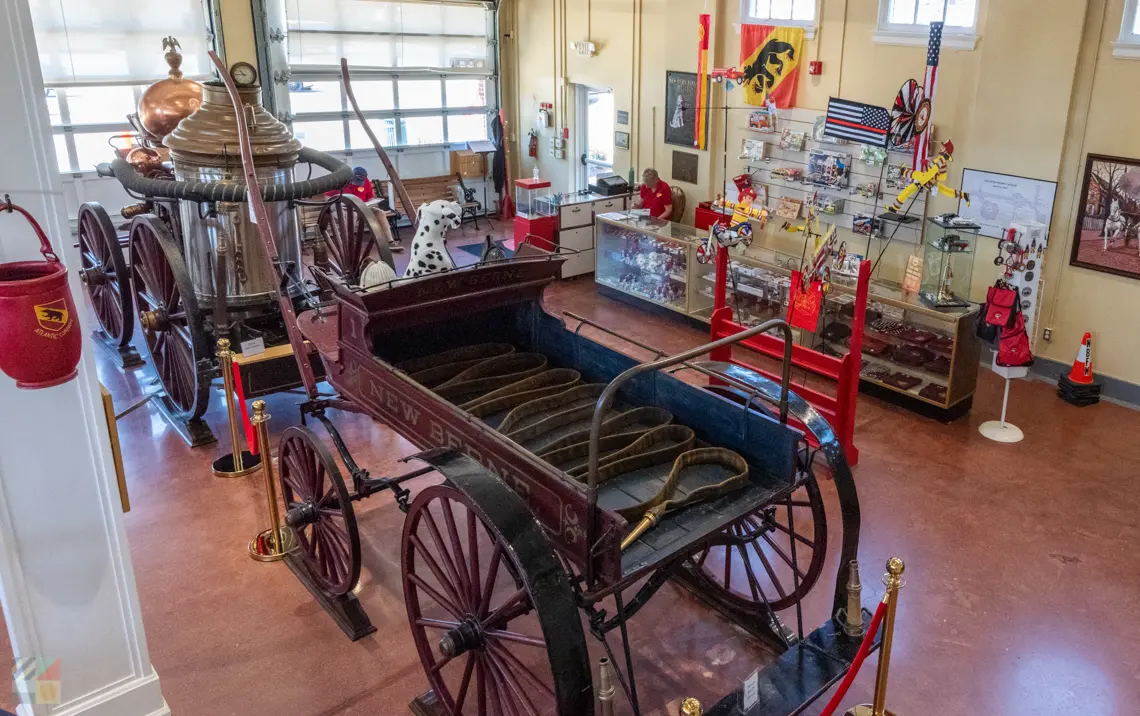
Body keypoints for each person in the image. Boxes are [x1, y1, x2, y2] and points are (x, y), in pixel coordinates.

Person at [325, 166, 403, 252]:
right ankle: (347, 244)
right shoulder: (340, 180)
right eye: (356, 181)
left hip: (361, 207)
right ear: (351, 176)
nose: (358, 183)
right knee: (352, 215)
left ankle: (390, 242)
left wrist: (372, 203)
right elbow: (327, 198)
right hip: (342, 209)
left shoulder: (366, 181)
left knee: (379, 213)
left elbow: (369, 198)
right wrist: (338, 204)